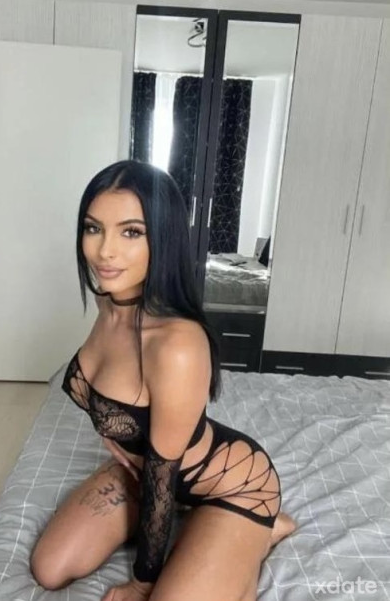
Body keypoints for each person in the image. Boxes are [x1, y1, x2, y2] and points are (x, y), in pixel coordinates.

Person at [30, 160, 296, 601]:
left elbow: (161, 471)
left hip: (231, 486)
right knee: (50, 568)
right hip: (150, 470)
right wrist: (126, 444)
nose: (105, 251)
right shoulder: (110, 305)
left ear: (164, 238)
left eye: (131, 232)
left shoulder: (178, 344)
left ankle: (256, 535)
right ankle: (199, 528)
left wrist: (142, 583)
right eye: (94, 228)